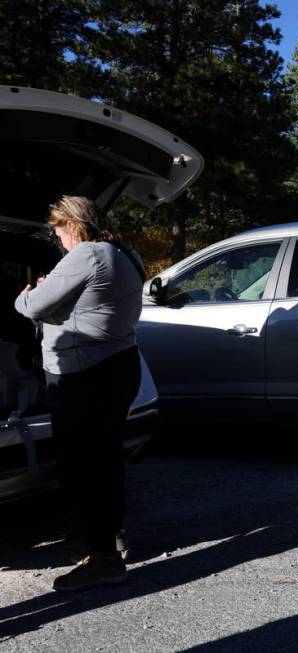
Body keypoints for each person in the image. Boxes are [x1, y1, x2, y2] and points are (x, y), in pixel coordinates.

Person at [14, 196, 144, 591]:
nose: (58, 240)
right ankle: (108, 542)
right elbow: (89, 302)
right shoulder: (125, 250)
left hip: (83, 373)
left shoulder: (86, 253)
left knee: (85, 466)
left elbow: (32, 306)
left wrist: (26, 294)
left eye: (58, 230)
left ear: (73, 224)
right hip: (119, 364)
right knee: (105, 459)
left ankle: (103, 559)